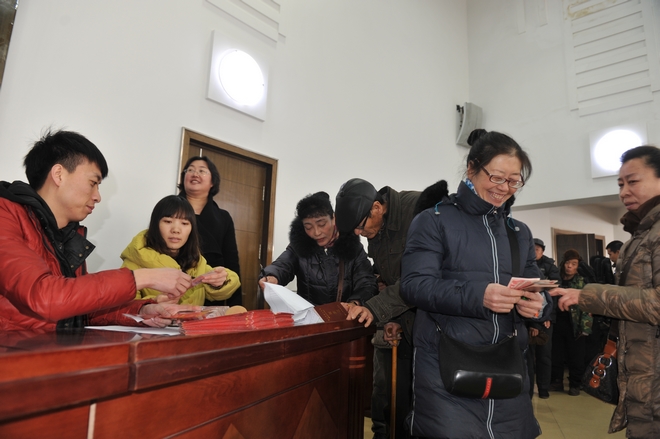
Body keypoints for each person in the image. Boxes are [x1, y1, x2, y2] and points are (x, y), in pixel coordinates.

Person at [400, 129, 547, 438]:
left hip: (508, 371)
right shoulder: (434, 220)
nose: (504, 188)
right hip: (446, 371)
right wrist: (478, 295)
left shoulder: (518, 232)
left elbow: (533, 287)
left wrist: (538, 306)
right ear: (471, 169)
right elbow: (414, 285)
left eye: (514, 181)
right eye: (496, 177)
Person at [0, 130, 194, 331]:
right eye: (93, 183)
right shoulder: (5, 215)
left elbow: (80, 309)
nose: (97, 197)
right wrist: (144, 278)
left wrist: (142, 311)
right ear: (58, 175)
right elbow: (45, 297)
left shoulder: (65, 234)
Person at [552, 145, 660, 437]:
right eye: (620, 184)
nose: (624, 191)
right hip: (643, 373)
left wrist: (587, 296)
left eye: (633, 181)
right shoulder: (641, 235)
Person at [335, 178, 448, 439]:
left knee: (428, 402)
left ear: (377, 207)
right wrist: (391, 316)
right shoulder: (375, 228)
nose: (359, 233)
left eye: (360, 226)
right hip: (401, 318)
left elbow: (421, 279)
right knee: (390, 399)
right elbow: (391, 274)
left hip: (434, 324)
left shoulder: (420, 211)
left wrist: (375, 309)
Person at [258, 191, 376, 312]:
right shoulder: (299, 247)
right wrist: (272, 276)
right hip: (308, 318)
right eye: (308, 227)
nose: (316, 232)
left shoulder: (353, 247)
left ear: (334, 218)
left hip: (344, 317)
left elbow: (366, 282)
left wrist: (355, 303)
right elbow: (283, 265)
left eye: (322, 224)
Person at [121, 195, 240, 305]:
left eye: (184, 223)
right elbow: (123, 308)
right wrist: (152, 303)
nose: (176, 230)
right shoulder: (134, 261)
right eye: (168, 221)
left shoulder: (197, 262)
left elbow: (224, 287)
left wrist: (220, 280)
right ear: (155, 225)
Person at [178, 156, 242, 306]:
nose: (195, 174)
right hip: (174, 289)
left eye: (202, 171)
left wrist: (236, 305)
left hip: (212, 289)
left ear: (213, 181)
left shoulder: (224, 217)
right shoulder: (168, 209)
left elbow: (231, 263)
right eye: (190, 170)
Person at [549, 249, 591, 396]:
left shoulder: (582, 281)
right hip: (557, 322)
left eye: (573, 264)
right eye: (567, 263)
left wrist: (585, 327)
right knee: (556, 354)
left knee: (576, 356)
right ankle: (556, 382)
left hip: (575, 323)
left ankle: (575, 384)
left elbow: (587, 306)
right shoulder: (556, 279)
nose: (569, 266)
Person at [526, 238, 561, 399]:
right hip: (527, 317)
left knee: (544, 355)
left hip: (546, 319)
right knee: (527, 357)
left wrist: (547, 317)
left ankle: (543, 388)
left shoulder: (550, 268)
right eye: (532, 249)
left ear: (543, 251)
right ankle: (527, 390)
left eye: (537, 249)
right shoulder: (524, 266)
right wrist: (532, 323)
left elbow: (553, 294)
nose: (534, 252)